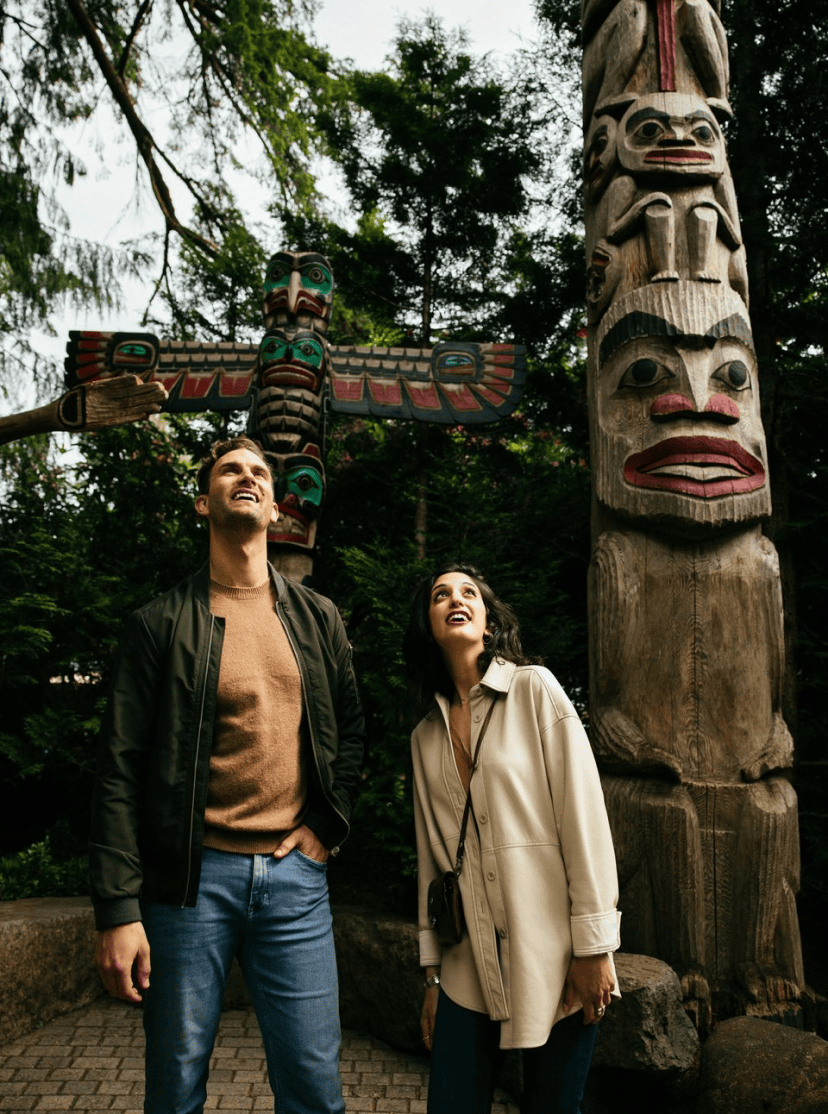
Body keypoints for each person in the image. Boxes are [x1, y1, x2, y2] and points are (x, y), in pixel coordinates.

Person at [89, 436, 364, 1114]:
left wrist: (325, 827)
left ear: (274, 507)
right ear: (202, 502)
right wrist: (119, 910)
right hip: (189, 886)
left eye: (259, 473)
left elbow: (351, 731)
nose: (246, 477)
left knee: (314, 1087)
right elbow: (118, 769)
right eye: (229, 469)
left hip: (294, 884)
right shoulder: (159, 623)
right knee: (176, 1087)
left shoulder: (317, 618)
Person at [403, 563, 620, 1114]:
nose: (455, 599)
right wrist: (431, 975)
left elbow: (584, 816)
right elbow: (433, 865)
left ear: (489, 623)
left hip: (554, 957)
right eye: (440, 595)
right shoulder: (423, 737)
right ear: (429, 624)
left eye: (469, 593)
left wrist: (594, 945)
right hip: (463, 970)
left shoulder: (534, 690)